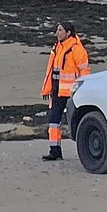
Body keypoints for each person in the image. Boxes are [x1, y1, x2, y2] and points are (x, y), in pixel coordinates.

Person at [39, 21, 90, 161]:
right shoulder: (57, 47)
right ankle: (54, 150)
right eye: (57, 30)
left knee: (77, 121)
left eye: (60, 30)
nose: (57, 33)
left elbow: (84, 71)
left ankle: (85, 151)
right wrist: (48, 89)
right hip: (57, 91)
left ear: (68, 33)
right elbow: (51, 71)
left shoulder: (76, 49)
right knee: (53, 121)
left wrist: (83, 89)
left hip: (72, 92)